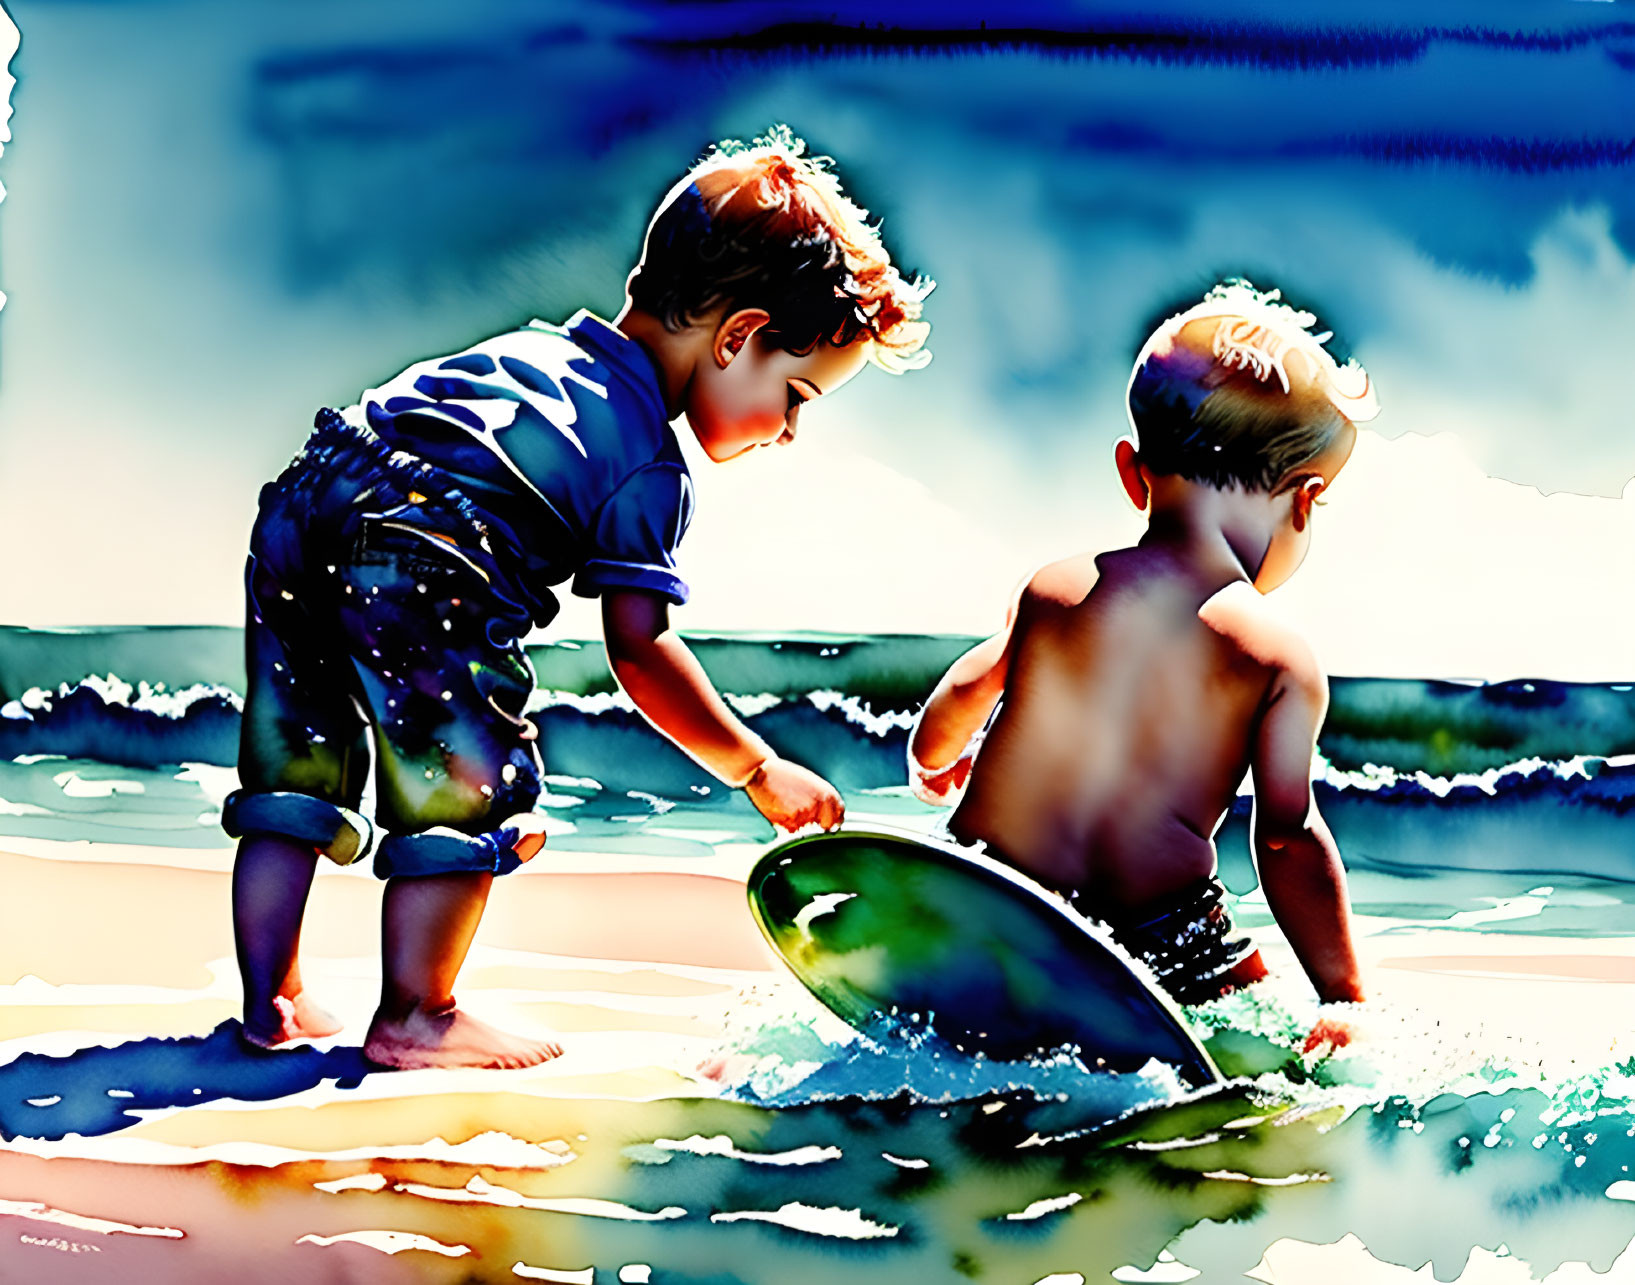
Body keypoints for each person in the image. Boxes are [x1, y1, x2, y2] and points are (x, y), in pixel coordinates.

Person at [225, 127, 932, 1069]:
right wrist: (757, 768)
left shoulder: (531, 350)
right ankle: (415, 1013)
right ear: (739, 338)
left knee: (296, 761)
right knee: (460, 776)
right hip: (425, 543)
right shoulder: (644, 460)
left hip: (308, 497)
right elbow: (641, 652)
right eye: (795, 393)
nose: (790, 429)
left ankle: (270, 1001)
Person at [907, 281, 1372, 1009]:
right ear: (1304, 499)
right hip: (1151, 940)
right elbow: (1285, 838)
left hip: (989, 893)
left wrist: (932, 757)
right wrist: (1342, 996)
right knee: (1261, 1035)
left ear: (1132, 471)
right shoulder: (1275, 655)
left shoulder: (1053, 590)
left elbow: (968, 690)